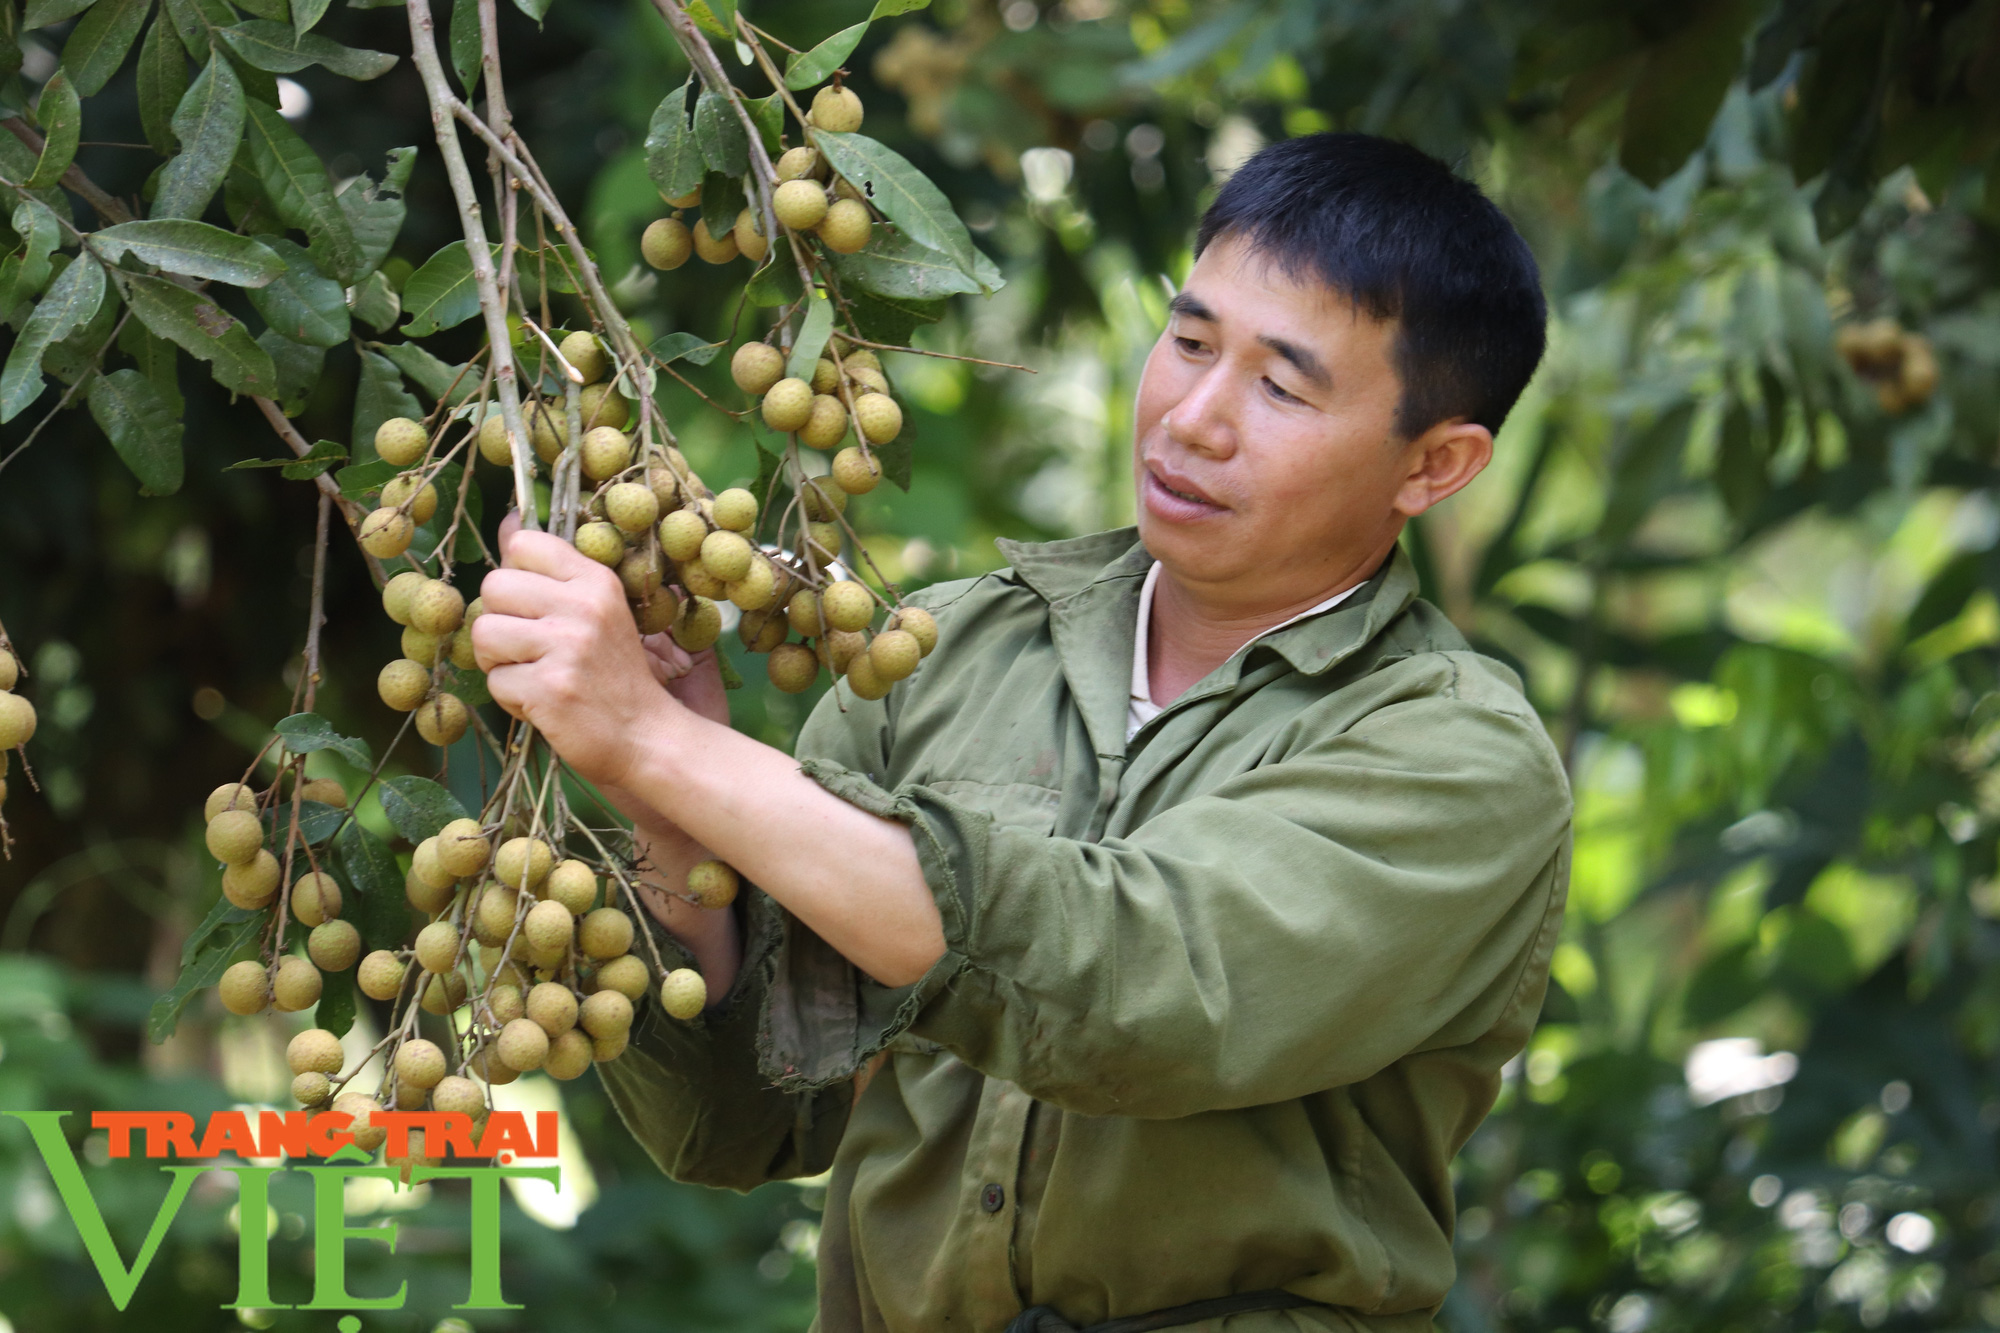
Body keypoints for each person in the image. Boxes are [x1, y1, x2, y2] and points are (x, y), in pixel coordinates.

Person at [471, 131, 1571, 1332]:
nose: (1194, 418)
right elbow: (744, 1115)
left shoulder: (1454, 757)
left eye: (1280, 386)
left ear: (1435, 463)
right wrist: (662, 801)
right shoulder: (950, 653)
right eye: (1189, 342)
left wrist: (659, 745)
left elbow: (1134, 991)